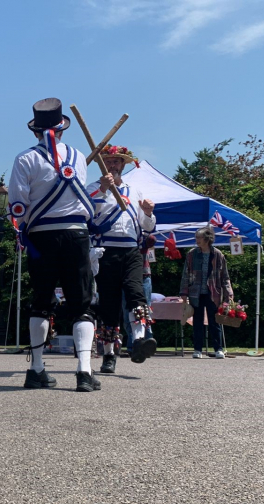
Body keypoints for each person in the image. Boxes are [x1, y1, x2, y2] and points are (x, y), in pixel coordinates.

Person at [7, 97, 106, 392]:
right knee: (82, 303)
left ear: (36, 130)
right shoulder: (77, 156)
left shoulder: (24, 159)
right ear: (62, 127)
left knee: (41, 300)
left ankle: (36, 369)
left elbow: (17, 205)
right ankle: (84, 372)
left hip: (42, 237)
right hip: (76, 234)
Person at [86, 144, 157, 373]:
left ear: (123, 165)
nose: (112, 164)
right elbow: (87, 215)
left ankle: (138, 340)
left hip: (131, 251)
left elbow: (146, 227)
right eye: (108, 160)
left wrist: (147, 213)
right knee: (109, 303)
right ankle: (108, 355)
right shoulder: (92, 189)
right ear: (101, 163)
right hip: (106, 251)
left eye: (116, 161)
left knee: (135, 290)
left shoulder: (133, 190)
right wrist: (104, 190)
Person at [179, 227, 233, 359]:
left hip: (213, 293)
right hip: (195, 293)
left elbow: (225, 277)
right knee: (197, 322)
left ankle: (218, 349)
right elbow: (186, 274)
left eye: (199, 237)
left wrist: (229, 294)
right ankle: (197, 349)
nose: (197, 240)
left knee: (215, 321)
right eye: (196, 237)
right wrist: (184, 292)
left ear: (207, 239)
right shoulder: (192, 254)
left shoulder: (218, 254)